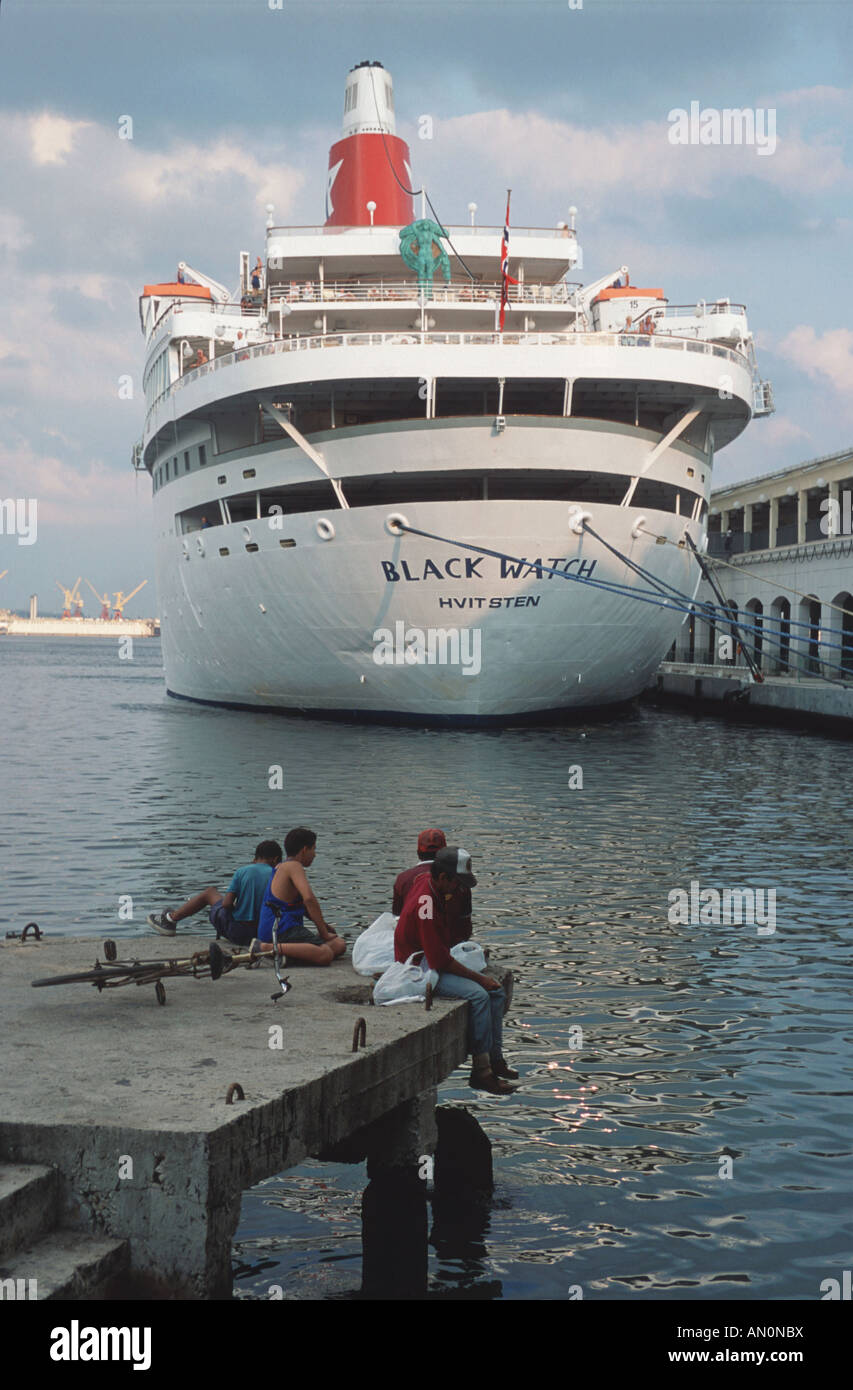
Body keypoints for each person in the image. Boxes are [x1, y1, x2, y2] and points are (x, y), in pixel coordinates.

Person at [394, 847, 518, 1095]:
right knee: (481, 995)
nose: (460, 889)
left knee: (497, 994)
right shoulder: (426, 903)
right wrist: (479, 979)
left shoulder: (436, 891)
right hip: (419, 969)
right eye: (457, 883)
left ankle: (496, 1059)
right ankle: (481, 1072)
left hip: (433, 959)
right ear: (442, 878)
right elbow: (438, 960)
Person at [146, 841, 282, 945]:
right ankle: (170, 918)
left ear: (255, 859)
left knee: (210, 893)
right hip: (269, 934)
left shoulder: (243, 871)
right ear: (276, 860)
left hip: (239, 933)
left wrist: (239, 908)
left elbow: (227, 903)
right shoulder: (280, 875)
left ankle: (170, 919)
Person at [256, 826, 346, 966]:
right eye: (313, 849)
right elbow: (309, 899)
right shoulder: (294, 866)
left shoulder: (282, 866)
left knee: (339, 944)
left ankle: (285, 957)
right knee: (326, 954)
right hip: (281, 929)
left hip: (282, 929)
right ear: (304, 850)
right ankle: (265, 948)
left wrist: (324, 925)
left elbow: (303, 906)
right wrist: (323, 933)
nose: (315, 854)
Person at [392, 828, 472, 944]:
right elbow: (465, 928)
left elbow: (396, 921)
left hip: (415, 947)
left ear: (418, 852)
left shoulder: (403, 879)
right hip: (448, 947)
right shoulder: (458, 878)